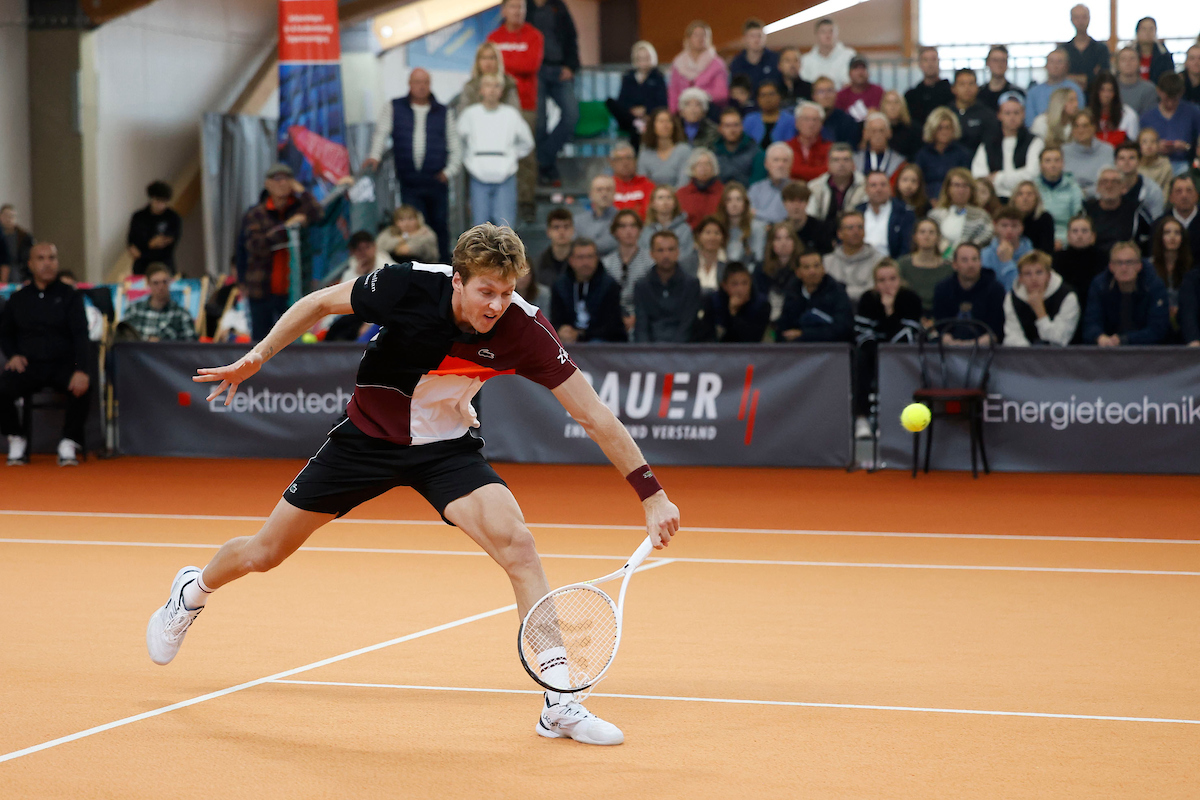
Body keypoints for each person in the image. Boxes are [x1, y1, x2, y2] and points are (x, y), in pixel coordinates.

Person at [148, 223, 681, 746]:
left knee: (519, 545)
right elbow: (317, 305)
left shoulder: (525, 330)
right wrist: (257, 357)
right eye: (485, 292)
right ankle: (192, 591)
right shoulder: (407, 284)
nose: (496, 305)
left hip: (446, 450)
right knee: (265, 553)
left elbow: (594, 416)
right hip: (368, 438)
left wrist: (651, 493)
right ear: (458, 280)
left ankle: (558, 700)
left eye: (506, 292)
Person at [0, 243, 90, 466]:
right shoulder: (18, 299)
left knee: (84, 385)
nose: (47, 263)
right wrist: (12, 355)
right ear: (30, 265)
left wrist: (81, 369)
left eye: (52, 258)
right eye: (41, 258)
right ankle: (16, 438)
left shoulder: (70, 297)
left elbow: (81, 337)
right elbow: (5, 334)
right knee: (2, 388)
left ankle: (69, 442)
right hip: (29, 366)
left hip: (63, 365)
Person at [364, 69, 461, 261]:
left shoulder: (443, 111)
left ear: (430, 84)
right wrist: (374, 156)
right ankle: (419, 269)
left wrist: (449, 171)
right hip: (408, 180)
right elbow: (381, 134)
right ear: (409, 83)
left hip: (436, 179)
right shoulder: (393, 107)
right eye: (417, 82)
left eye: (425, 82)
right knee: (413, 226)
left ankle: (444, 268)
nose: (421, 86)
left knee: (440, 225)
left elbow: (455, 144)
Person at [237, 164, 322, 340]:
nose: (282, 183)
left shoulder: (298, 208)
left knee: (292, 341)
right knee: (261, 343)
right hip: (262, 288)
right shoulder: (256, 214)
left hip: (293, 289)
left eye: (286, 179)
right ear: (267, 184)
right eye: (277, 179)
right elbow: (255, 246)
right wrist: (287, 228)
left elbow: (318, 213)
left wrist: (302, 192)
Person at [854, 258, 923, 435]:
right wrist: (879, 352)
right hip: (873, 353)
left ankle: (892, 418)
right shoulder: (868, 299)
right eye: (882, 280)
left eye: (892, 279)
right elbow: (863, 335)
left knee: (898, 357)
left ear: (900, 279)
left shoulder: (910, 299)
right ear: (875, 283)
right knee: (860, 357)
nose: (888, 285)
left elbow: (907, 336)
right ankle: (862, 418)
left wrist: (890, 311)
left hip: (902, 354)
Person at [487, 0, 544, 209]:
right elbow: (489, 68)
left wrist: (503, 64)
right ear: (503, 10)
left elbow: (530, 65)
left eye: (521, 7)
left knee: (526, 154)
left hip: (526, 105)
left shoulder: (534, 35)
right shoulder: (494, 38)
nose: (517, 11)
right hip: (497, 105)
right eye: (513, 7)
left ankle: (526, 201)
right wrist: (511, 64)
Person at [459, 74, 535, 228]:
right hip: (477, 175)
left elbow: (527, 142)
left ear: (501, 91)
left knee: (506, 228)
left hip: (506, 175)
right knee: (479, 229)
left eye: (496, 86)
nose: (492, 90)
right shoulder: (470, 114)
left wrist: (512, 155)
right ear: (481, 90)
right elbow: (458, 141)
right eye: (488, 85)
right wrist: (468, 160)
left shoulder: (511, 114)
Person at [526, 0, 580, 184]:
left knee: (572, 115)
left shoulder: (559, 5)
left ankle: (542, 161)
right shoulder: (523, 6)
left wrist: (571, 66)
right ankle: (547, 169)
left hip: (559, 69)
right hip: (534, 71)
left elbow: (572, 37)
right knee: (539, 123)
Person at [1081, 239, 1169, 344]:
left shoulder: (1153, 285)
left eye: (1129, 262)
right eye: (1119, 262)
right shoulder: (1100, 285)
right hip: (1107, 351)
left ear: (1139, 266)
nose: (1124, 268)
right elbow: (1090, 322)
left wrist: (1124, 339)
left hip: (1147, 351)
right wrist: (1100, 337)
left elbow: (1158, 329)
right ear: (1111, 267)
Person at [550, 238, 626, 343]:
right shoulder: (560, 285)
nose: (586, 262)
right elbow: (555, 320)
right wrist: (561, 330)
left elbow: (612, 327)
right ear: (571, 260)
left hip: (602, 341)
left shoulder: (609, 285)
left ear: (597, 259)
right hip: (569, 340)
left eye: (590, 257)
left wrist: (580, 334)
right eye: (580, 257)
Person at [971, 93, 1044, 200]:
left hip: (1024, 198)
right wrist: (1016, 177)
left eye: (1016, 113)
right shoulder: (987, 144)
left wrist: (997, 177)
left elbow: (1032, 175)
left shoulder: (1035, 142)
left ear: (1023, 114)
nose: (1012, 117)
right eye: (1007, 113)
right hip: (994, 199)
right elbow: (979, 176)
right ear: (999, 115)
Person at [633, 230, 702, 342]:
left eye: (671, 249)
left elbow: (688, 324)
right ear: (651, 254)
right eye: (660, 250)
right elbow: (642, 325)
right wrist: (645, 353)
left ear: (678, 252)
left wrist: (672, 353)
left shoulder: (691, 284)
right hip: (650, 350)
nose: (666, 255)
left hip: (683, 350)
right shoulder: (642, 286)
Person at [1002, 250, 1080, 346]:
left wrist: (1040, 312)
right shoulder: (1011, 298)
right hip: (1023, 356)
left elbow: (1060, 339)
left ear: (1048, 275)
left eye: (1039, 272)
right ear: (1020, 278)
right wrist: (1030, 357)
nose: (1034, 279)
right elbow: (1013, 336)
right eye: (1027, 274)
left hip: (1063, 357)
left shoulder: (1067, 297)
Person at [932, 242, 1006, 343]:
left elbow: (997, 330)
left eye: (975, 259)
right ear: (954, 265)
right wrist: (952, 343)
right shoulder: (942, 289)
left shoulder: (995, 289)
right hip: (950, 348)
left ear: (980, 262)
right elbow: (940, 327)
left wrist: (973, 345)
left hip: (987, 349)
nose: (971, 265)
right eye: (964, 260)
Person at [775, 248, 853, 341]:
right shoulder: (792, 293)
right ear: (798, 272)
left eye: (816, 266)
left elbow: (843, 329)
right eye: (806, 267)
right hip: (798, 351)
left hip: (832, 349)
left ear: (823, 269)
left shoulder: (837, 292)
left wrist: (804, 334)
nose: (812, 271)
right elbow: (783, 327)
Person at [608, 41, 668, 152]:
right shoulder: (628, 77)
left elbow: (661, 101)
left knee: (636, 130)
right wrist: (632, 110)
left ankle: (638, 124)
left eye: (646, 58)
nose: (643, 61)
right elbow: (622, 100)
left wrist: (645, 111)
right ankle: (636, 122)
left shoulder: (658, 77)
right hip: (629, 117)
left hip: (649, 118)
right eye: (640, 58)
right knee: (610, 102)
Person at [1053, 214, 1108, 329]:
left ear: (1093, 236)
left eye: (1084, 231)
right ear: (1068, 236)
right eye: (1075, 231)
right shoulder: (1057, 259)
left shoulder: (1104, 258)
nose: (1079, 235)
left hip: (1095, 308)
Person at [1140, 73, 1200, 176]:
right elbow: (1140, 147)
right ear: (1159, 91)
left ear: (1181, 93)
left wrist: (1186, 147)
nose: (1170, 104)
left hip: (1185, 163)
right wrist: (1155, 147)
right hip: (1154, 165)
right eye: (1166, 100)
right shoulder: (1147, 117)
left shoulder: (1193, 112)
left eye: (1175, 100)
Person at [695, 261, 770, 343]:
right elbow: (708, 337)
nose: (740, 289)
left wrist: (734, 314)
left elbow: (752, 339)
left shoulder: (761, 304)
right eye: (735, 284)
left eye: (745, 283)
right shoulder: (713, 302)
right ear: (724, 286)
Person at [122, 262, 200, 341]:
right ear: (148, 283)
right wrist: (147, 340)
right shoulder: (134, 311)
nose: (161, 287)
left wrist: (162, 343)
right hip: (137, 352)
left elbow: (191, 346)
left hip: (168, 352)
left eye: (164, 282)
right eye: (156, 283)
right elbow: (123, 340)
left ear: (170, 282)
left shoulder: (181, 314)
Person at [603, 209, 655, 321]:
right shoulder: (606, 263)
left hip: (645, 315)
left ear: (640, 230)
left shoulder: (651, 261)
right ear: (615, 231)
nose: (628, 231)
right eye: (623, 226)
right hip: (612, 315)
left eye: (633, 226)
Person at [1085, 167, 1152, 254]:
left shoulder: (1136, 210)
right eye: (1104, 182)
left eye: (1115, 182)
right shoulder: (1086, 211)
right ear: (1097, 188)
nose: (1109, 186)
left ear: (1123, 188)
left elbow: (1151, 236)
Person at [823, 210, 885, 304]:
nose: (856, 232)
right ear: (839, 233)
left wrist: (840, 293)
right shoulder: (827, 261)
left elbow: (873, 292)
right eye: (850, 228)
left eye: (860, 227)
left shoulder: (878, 261)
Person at [929, 168, 995, 255]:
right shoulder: (935, 215)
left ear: (971, 189)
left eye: (965, 186)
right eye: (956, 185)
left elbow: (987, 236)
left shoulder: (982, 216)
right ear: (948, 188)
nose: (961, 190)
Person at [668, 21, 728, 114]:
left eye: (704, 35)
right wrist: (674, 113)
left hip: (709, 110)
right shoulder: (678, 64)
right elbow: (673, 92)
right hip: (682, 113)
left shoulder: (717, 64)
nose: (700, 39)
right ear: (688, 38)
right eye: (696, 35)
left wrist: (698, 97)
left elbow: (721, 94)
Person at [897, 217, 953, 316]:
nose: (927, 236)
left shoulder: (949, 268)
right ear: (915, 237)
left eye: (931, 232)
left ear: (938, 237)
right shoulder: (902, 265)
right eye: (922, 232)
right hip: (909, 316)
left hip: (941, 318)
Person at [915, 106, 973, 199]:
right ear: (933, 129)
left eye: (947, 128)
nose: (944, 132)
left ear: (954, 129)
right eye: (940, 128)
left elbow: (966, 182)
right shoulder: (923, 155)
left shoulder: (963, 154)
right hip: (926, 202)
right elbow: (918, 182)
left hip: (955, 200)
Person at [126, 181, 182, 277]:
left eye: (163, 201)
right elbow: (132, 243)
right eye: (157, 200)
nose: (160, 205)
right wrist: (149, 245)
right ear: (151, 198)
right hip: (141, 266)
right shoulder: (139, 217)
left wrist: (145, 247)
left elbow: (165, 241)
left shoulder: (172, 218)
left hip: (164, 264)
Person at [1149, 216, 1193, 334]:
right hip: (1155, 319)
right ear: (1160, 237)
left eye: (1177, 233)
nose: (1172, 237)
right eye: (1167, 232)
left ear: (1183, 238)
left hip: (1185, 321)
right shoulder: (1149, 267)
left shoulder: (1191, 268)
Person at [857, 170, 915, 258]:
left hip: (891, 265)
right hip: (860, 263)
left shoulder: (904, 213)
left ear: (890, 187)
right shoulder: (857, 211)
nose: (878, 189)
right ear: (866, 189)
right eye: (873, 185)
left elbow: (907, 248)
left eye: (883, 185)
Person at [1034, 146, 1084, 247]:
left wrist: (1064, 241)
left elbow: (1079, 219)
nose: (1053, 165)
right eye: (1048, 161)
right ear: (1040, 165)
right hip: (1038, 238)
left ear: (1063, 164)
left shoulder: (1074, 188)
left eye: (1057, 160)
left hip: (1067, 240)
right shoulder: (1032, 188)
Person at [807, 143, 867, 223]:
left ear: (853, 163)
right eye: (836, 160)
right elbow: (811, 216)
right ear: (828, 164)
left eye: (846, 159)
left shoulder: (865, 185)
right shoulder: (815, 187)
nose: (841, 164)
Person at [1025, 48, 1086, 127]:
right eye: (1051, 62)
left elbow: (1080, 117)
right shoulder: (1033, 92)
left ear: (1067, 66)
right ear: (1046, 66)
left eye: (1059, 62)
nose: (1055, 66)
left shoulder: (1075, 89)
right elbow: (1029, 122)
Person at [457, 41, 522, 114]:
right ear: (477, 61)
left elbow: (515, 113)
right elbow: (463, 114)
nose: (488, 62)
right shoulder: (470, 86)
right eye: (484, 58)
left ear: (498, 60)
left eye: (492, 58)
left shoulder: (508, 84)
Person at [1062, 110, 1115, 198]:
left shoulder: (1107, 150)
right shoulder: (1064, 151)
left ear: (1093, 127)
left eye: (1085, 126)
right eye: (1076, 126)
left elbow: (1110, 182)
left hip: (1100, 200)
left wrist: (1087, 192)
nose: (1080, 130)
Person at [981, 206, 1034, 290]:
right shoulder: (985, 255)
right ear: (995, 226)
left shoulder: (1031, 255)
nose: (1009, 231)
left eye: (1014, 226)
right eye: (1004, 225)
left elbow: (1023, 289)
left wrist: (1007, 262)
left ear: (1022, 228)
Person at [636, 108, 692, 187]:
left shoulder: (684, 151)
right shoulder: (645, 153)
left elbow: (684, 183)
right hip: (651, 197)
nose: (665, 125)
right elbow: (643, 182)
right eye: (661, 121)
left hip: (678, 197)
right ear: (653, 126)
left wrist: (669, 198)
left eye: (668, 121)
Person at [756, 222, 802, 319]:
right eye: (778, 239)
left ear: (795, 241)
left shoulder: (802, 267)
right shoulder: (761, 268)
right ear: (771, 243)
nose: (783, 243)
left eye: (788, 238)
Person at [950, 69, 999, 157]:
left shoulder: (987, 115)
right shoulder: (946, 114)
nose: (967, 88)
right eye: (962, 84)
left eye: (971, 84)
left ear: (977, 87)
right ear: (953, 89)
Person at [713, 107, 765, 188]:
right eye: (727, 126)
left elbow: (757, 186)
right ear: (720, 129)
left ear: (742, 127)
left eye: (736, 125)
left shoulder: (756, 152)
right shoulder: (713, 152)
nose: (732, 130)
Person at [1062, 4, 1112, 90]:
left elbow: (1103, 78)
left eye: (1084, 17)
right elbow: (1061, 78)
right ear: (1071, 20)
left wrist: (1071, 77)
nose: (1080, 21)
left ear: (1089, 18)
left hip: (1095, 97)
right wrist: (1089, 77)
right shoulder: (1064, 50)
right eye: (1076, 17)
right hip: (1068, 97)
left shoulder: (1101, 49)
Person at [639, 184, 695, 259]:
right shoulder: (646, 230)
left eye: (669, 198)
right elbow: (643, 255)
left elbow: (686, 256)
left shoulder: (684, 229)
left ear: (675, 203)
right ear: (653, 204)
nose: (665, 202)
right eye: (660, 198)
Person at [717, 182, 767, 265]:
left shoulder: (757, 227)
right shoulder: (718, 227)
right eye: (729, 200)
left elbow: (758, 259)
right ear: (724, 204)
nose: (734, 204)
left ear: (745, 203)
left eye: (738, 199)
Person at [905, 47, 954, 129]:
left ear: (939, 62)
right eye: (925, 60)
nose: (930, 64)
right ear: (920, 64)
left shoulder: (951, 92)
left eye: (933, 59)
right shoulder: (912, 96)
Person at [800, 18, 856, 89]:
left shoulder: (849, 56)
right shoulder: (806, 60)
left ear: (837, 33)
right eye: (823, 32)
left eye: (831, 31)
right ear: (816, 34)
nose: (828, 35)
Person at [1115, 140, 1164, 221]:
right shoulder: (1108, 187)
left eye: (1132, 158)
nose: (1126, 162)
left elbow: (1157, 223)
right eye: (1122, 158)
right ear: (1115, 162)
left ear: (1139, 161)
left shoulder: (1153, 190)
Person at [748, 142, 794, 224]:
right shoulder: (756, 189)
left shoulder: (796, 190)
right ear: (766, 164)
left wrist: (758, 213)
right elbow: (749, 214)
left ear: (791, 164)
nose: (780, 165)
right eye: (776, 160)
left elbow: (787, 217)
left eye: (785, 160)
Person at [1088, 72, 1139, 147]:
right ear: (1096, 92)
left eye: (1110, 90)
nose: (1106, 95)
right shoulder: (1088, 115)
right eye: (1102, 90)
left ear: (1115, 93)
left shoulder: (1129, 115)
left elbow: (1133, 146)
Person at [573, 175, 618, 257]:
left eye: (608, 190)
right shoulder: (578, 221)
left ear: (614, 193)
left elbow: (612, 244)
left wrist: (583, 246)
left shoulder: (621, 220)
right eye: (599, 190)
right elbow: (573, 245)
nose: (604, 194)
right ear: (591, 195)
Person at [729, 18, 779, 92]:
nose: (756, 40)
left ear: (765, 38)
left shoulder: (776, 60)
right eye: (752, 36)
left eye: (759, 36)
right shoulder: (737, 63)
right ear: (745, 39)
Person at [783, 180, 833, 254]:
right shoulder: (779, 229)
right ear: (784, 203)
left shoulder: (821, 229)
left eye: (801, 201)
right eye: (792, 201)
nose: (796, 206)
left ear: (807, 202)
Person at [680, 215, 727, 294]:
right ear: (699, 236)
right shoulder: (685, 264)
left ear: (723, 238)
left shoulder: (728, 266)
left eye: (717, 233)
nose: (712, 237)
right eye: (708, 233)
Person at [743, 81, 796, 150]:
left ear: (779, 96)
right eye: (763, 95)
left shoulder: (790, 120)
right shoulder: (749, 120)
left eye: (771, 94)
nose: (767, 98)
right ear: (757, 99)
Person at [787, 101, 832, 182]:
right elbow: (786, 170)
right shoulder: (786, 148)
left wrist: (796, 172)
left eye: (815, 120)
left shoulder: (830, 148)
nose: (811, 124)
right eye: (806, 119)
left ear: (821, 124)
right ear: (797, 123)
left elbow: (830, 171)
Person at [855, 112, 906, 183]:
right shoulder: (855, 161)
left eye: (881, 131)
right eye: (873, 131)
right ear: (865, 134)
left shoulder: (899, 163)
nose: (878, 135)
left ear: (889, 133)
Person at [610, 141, 656, 220]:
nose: (625, 162)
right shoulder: (607, 186)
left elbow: (651, 215)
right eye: (620, 159)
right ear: (612, 163)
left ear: (635, 161)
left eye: (628, 158)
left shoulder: (648, 185)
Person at [1009, 180, 1056, 254]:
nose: (1025, 198)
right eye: (1020, 194)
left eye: (1029, 194)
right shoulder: (1007, 218)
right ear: (1014, 198)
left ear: (1036, 199)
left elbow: (1046, 250)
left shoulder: (1045, 218)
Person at [812, 77, 861, 146]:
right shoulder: (808, 120)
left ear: (836, 94)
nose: (826, 96)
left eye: (830, 91)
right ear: (813, 96)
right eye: (821, 91)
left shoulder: (847, 121)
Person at [1160, 174, 1200, 255]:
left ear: (1197, 196)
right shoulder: (1160, 225)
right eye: (1178, 191)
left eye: (1189, 190)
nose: (1184, 196)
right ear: (1170, 197)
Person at [978, 45, 1026, 110]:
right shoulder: (979, 94)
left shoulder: (1017, 94)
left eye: (1003, 60)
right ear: (987, 63)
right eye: (995, 60)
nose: (999, 64)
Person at [836, 56, 883, 122]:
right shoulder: (841, 96)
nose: (860, 72)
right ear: (849, 73)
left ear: (868, 72)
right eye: (856, 68)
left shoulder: (878, 92)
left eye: (863, 68)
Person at [535, 208, 575, 287]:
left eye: (566, 227)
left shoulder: (582, 259)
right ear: (548, 232)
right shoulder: (540, 263)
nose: (561, 231)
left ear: (573, 230)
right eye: (556, 227)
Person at [1115, 46, 1158, 116]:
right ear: (1117, 64)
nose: (1128, 63)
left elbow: (1150, 118)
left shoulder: (1149, 89)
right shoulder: (1110, 88)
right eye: (1123, 59)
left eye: (1132, 59)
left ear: (1139, 63)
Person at [1132, 17, 1175, 87]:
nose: (1147, 33)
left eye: (1151, 29)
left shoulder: (1164, 56)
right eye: (1144, 29)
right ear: (1137, 32)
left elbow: (1169, 81)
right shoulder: (1130, 54)